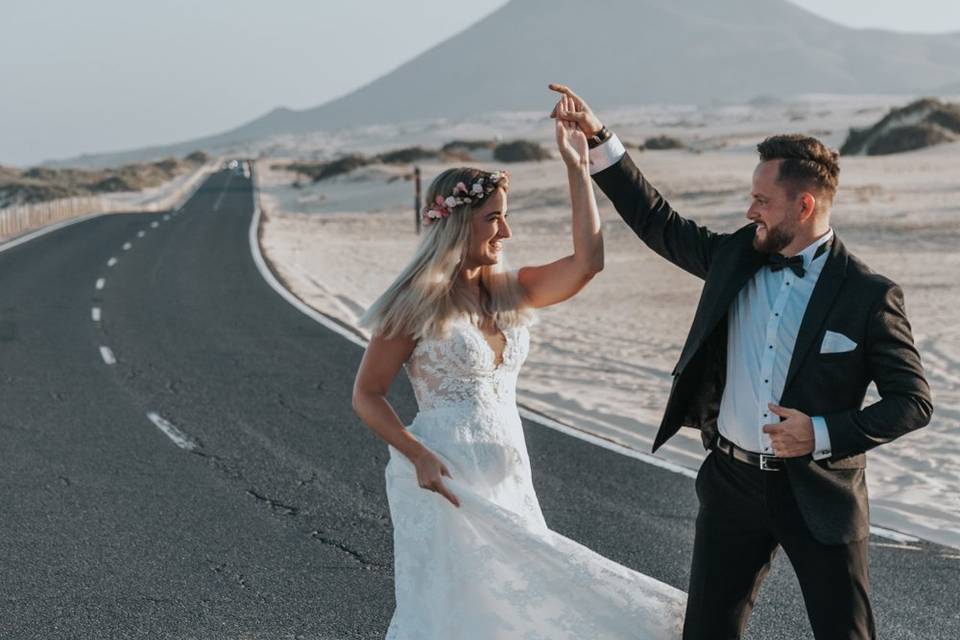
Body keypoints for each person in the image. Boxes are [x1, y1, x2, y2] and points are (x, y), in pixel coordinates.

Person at [550, 83, 933, 640]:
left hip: (820, 490)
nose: (749, 209)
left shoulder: (868, 295)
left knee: (845, 633)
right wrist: (599, 137)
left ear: (804, 206)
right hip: (732, 482)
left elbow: (913, 402)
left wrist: (821, 432)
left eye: (762, 200)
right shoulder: (736, 255)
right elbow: (657, 222)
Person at [352, 95, 685, 639]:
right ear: (457, 224)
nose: (504, 233)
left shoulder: (511, 291)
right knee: (458, 613)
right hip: (445, 477)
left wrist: (577, 170)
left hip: (508, 473)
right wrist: (418, 456)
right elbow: (367, 394)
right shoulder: (415, 302)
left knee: (518, 608)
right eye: (493, 220)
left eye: (506, 218)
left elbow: (587, 263)